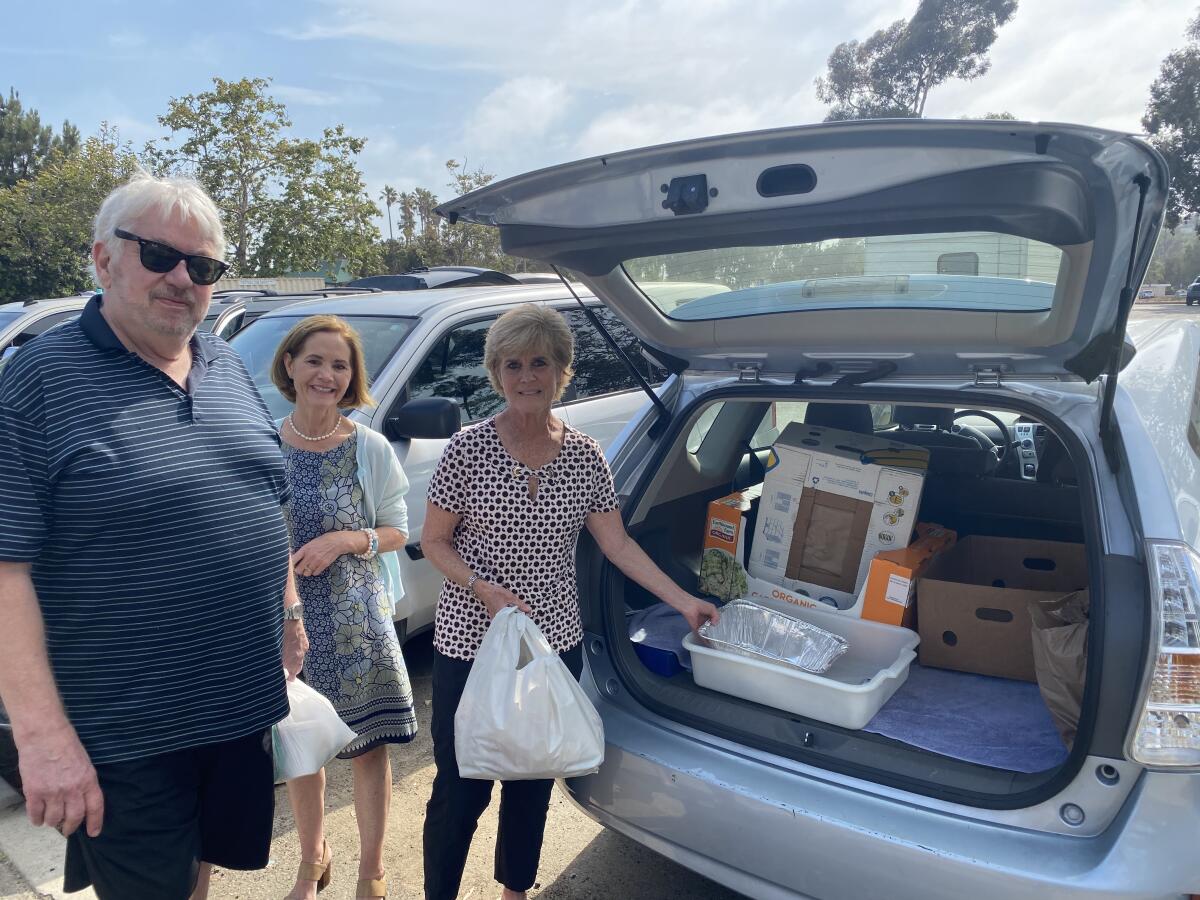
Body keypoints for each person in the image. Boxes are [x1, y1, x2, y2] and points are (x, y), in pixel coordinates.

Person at [0, 172, 307, 900]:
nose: (181, 279)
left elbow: (269, 496)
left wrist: (290, 609)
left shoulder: (226, 365)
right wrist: (42, 739)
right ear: (104, 260)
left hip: (236, 708)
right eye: (159, 256)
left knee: (201, 873)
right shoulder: (36, 380)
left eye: (201, 266)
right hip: (125, 733)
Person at [421, 304, 720, 900]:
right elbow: (434, 540)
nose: (526, 376)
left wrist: (684, 600)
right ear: (495, 373)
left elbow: (617, 544)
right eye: (512, 364)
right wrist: (483, 588)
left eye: (540, 363)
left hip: (553, 643)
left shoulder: (584, 455)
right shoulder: (466, 450)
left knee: (531, 776)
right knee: (461, 785)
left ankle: (514, 891)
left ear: (562, 372)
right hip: (470, 641)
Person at [270, 315, 417, 900]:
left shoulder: (369, 446)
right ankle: (312, 862)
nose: (326, 375)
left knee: (368, 745)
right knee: (304, 744)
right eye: (315, 361)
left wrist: (344, 540)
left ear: (351, 376)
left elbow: (398, 531)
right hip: (290, 623)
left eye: (340, 365)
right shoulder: (263, 443)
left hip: (358, 621)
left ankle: (371, 870)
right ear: (290, 365)